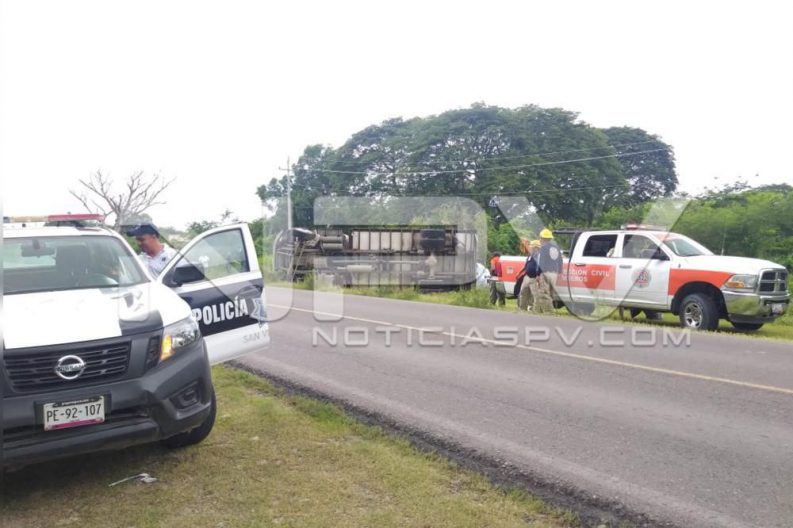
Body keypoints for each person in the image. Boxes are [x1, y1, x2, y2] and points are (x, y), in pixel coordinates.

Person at [534, 228, 562, 314]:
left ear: (543, 238)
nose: (540, 240)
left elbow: (541, 262)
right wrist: (559, 272)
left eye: (541, 238)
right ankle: (541, 310)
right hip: (554, 274)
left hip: (545, 272)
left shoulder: (544, 248)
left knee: (544, 292)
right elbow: (560, 261)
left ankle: (549, 311)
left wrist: (538, 274)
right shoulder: (556, 248)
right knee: (550, 293)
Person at [518, 240, 541, 311]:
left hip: (534, 278)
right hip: (527, 277)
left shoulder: (539, 256)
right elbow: (526, 265)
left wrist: (538, 275)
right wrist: (520, 272)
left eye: (532, 247)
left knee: (536, 295)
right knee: (523, 293)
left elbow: (540, 267)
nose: (530, 248)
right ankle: (522, 309)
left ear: (536, 248)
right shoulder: (530, 256)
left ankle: (535, 310)